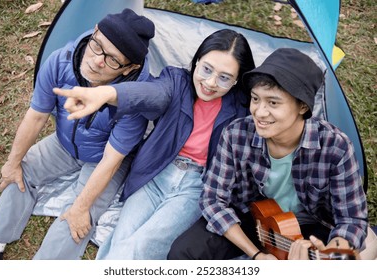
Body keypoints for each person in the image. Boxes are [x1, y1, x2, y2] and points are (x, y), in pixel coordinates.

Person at [54, 29, 256, 259]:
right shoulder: (176, 81)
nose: (210, 83)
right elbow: (151, 93)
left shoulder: (242, 107)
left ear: (237, 79)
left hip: (196, 185)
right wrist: (107, 93)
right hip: (155, 172)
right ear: (197, 60)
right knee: (121, 238)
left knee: (143, 245)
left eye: (224, 77)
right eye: (206, 69)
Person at [0, 9, 158, 260]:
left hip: (105, 159)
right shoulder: (60, 61)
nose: (98, 60)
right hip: (63, 143)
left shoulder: (135, 98)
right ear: (96, 31)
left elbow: (112, 160)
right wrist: (12, 163)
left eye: (112, 60)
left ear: (128, 68)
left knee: (79, 214)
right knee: (21, 170)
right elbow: (36, 116)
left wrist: (81, 206)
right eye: (97, 45)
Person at [167, 48, 369, 260]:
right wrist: (256, 256)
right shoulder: (236, 134)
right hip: (252, 220)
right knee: (183, 253)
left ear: (302, 106)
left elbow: (352, 220)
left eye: (273, 103)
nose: (260, 112)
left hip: (309, 229)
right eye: (255, 99)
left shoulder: (335, 146)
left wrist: (331, 253)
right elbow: (212, 199)